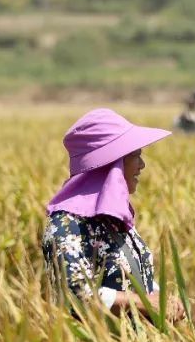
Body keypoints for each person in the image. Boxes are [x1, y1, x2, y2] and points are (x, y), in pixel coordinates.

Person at [42, 108, 185, 323]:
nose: (142, 165)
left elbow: (130, 276)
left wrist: (160, 298)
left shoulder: (114, 220)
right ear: (112, 165)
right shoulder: (66, 225)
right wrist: (143, 303)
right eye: (135, 156)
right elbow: (75, 295)